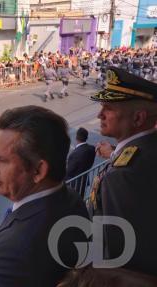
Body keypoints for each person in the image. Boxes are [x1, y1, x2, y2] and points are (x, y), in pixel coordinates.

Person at [0, 106, 89, 287]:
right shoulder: (71, 199)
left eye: (2, 160)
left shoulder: (13, 252)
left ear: (38, 171)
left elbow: (17, 245)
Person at [88, 67, 157, 277]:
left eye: (108, 108)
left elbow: (121, 256)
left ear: (138, 118)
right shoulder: (148, 150)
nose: (100, 114)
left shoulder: (124, 175)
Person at [66, 127, 96, 198]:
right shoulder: (92, 148)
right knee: (81, 198)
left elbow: (69, 171)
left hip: (74, 183)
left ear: (76, 138)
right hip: (84, 179)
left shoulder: (74, 154)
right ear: (86, 137)